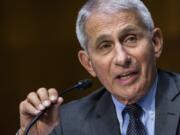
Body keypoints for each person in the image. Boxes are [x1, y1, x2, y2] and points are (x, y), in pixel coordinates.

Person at [17, 0, 180, 135]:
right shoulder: (63, 124)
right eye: (105, 46)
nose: (122, 58)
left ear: (156, 43)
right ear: (88, 64)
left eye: (130, 39)